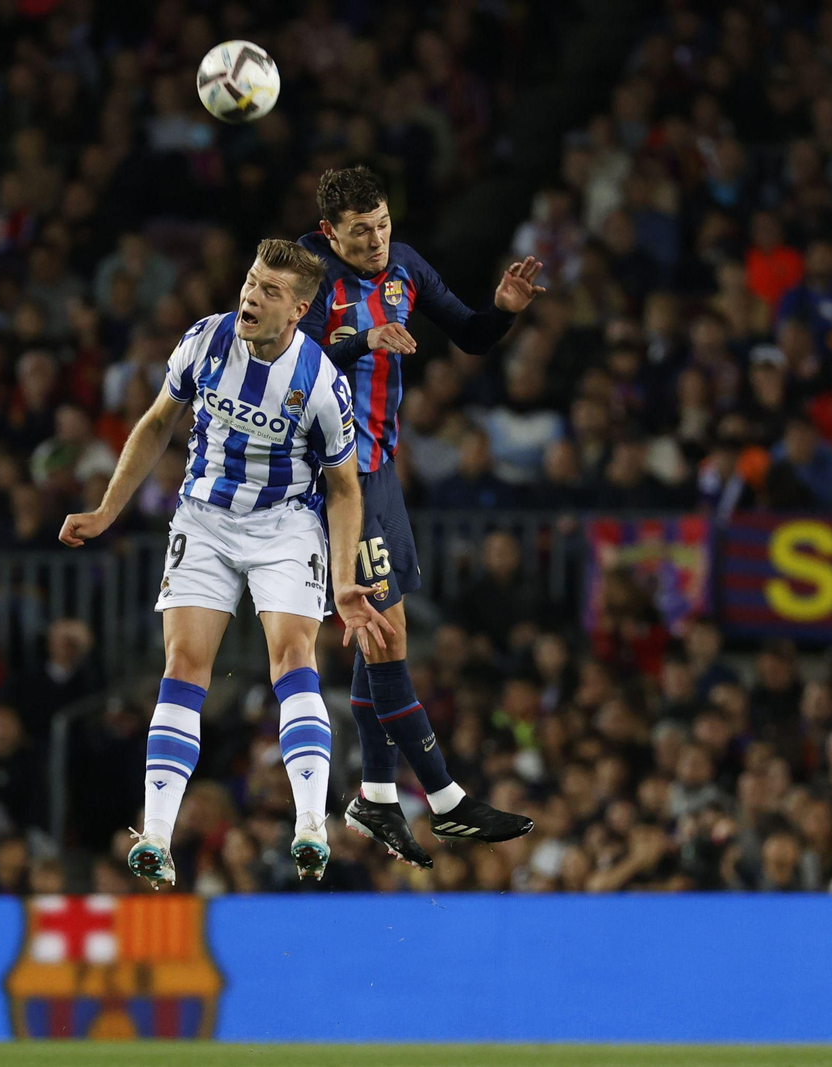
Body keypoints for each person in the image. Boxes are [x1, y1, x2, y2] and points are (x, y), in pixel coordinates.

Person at [58, 239, 394, 887]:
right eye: (250, 281)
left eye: (270, 291)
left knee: (293, 658)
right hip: (204, 517)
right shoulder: (205, 342)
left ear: (297, 310)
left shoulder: (318, 382)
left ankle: (309, 825)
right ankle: (156, 832)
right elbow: (159, 423)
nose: (251, 295)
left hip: (284, 523)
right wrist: (106, 509)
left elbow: (346, 486)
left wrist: (347, 580)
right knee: (183, 665)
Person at [295, 166, 538, 863]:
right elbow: (290, 360)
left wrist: (505, 309)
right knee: (389, 630)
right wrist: (362, 342)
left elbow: (470, 335)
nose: (376, 241)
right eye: (360, 232)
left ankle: (375, 793)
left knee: (379, 635)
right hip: (330, 476)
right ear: (327, 232)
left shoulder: (403, 266)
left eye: (382, 225)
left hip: (380, 470)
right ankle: (444, 799)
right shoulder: (307, 272)